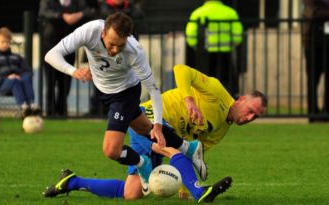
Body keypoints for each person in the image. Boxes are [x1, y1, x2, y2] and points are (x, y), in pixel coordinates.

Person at [42, 12, 211, 200]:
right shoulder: (89, 31)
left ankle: (142, 162)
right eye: (111, 44)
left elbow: (154, 90)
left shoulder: (134, 50)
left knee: (111, 150)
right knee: (145, 130)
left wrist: (158, 124)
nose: (114, 50)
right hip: (104, 92)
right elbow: (51, 55)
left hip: (125, 94)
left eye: (120, 45)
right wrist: (73, 71)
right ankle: (188, 147)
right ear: (103, 33)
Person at [41, 64, 267, 202]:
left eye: (255, 117)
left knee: (132, 193)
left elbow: (194, 154)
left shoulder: (222, 129)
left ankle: (71, 181)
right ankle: (200, 192)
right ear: (241, 100)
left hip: (169, 135)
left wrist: (180, 182)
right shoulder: (217, 91)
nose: (249, 118)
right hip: (150, 117)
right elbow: (181, 70)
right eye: (250, 111)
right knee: (168, 147)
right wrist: (189, 101)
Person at [38, 0, 98, 118]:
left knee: (65, 83)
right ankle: (50, 112)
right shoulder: (48, 2)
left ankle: (62, 111)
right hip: (50, 46)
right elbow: (44, 13)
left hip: (69, 50)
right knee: (50, 82)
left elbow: (90, 11)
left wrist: (78, 15)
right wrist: (62, 16)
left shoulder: (77, 2)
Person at [87, 0, 144, 117]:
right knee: (99, 80)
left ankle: (123, 110)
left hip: (125, 53)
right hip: (103, 53)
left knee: (126, 81)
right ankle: (96, 110)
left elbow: (139, 16)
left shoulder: (132, 7)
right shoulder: (103, 7)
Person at [185, 0, 243, 97]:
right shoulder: (230, 12)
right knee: (226, 82)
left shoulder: (198, 13)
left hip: (205, 53)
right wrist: (231, 45)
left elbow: (190, 35)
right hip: (225, 52)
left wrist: (197, 47)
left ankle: (205, 106)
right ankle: (227, 106)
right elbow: (238, 35)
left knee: (204, 83)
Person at [0, 27, 41, 118]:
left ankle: (32, 104)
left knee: (26, 77)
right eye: (2, 42)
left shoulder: (17, 57)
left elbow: (28, 71)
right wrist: (5, 79)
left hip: (20, 84)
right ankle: (23, 106)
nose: (5, 44)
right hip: (3, 86)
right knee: (14, 80)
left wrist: (21, 76)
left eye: (7, 42)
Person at [302, 0, 329, 121]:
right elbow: (312, 13)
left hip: (326, 44)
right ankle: (313, 112)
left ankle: (326, 112)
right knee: (313, 80)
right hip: (312, 44)